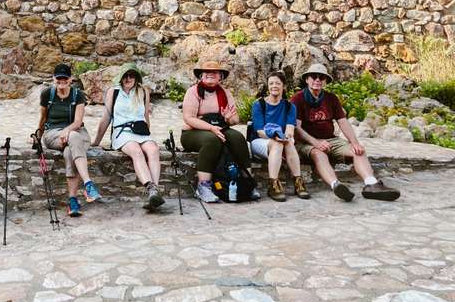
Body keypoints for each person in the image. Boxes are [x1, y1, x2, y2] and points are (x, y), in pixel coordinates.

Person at [292, 63, 400, 202]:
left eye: (322, 77)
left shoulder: (331, 98)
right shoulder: (298, 99)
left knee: (358, 150)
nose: (318, 80)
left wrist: (354, 142)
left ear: (325, 81)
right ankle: (336, 185)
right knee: (318, 153)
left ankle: (371, 184)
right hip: (307, 142)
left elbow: (343, 122)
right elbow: (297, 128)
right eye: (314, 76)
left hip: (331, 139)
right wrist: (316, 142)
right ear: (307, 79)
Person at [92, 63, 164, 211]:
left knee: (153, 149)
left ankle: (154, 192)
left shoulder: (143, 91)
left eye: (131, 75)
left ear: (136, 77)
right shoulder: (114, 91)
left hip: (141, 131)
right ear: (121, 78)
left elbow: (145, 117)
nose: (128, 78)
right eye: (125, 75)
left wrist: (148, 135)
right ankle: (151, 188)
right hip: (122, 132)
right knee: (136, 151)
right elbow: (106, 117)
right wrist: (97, 141)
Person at [181, 60, 252, 203]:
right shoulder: (193, 92)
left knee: (238, 138)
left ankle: (247, 183)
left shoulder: (225, 93)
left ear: (220, 76)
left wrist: (228, 118)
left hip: (220, 127)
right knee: (212, 140)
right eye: (207, 72)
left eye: (214, 72)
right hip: (193, 132)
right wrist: (211, 128)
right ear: (201, 76)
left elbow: (235, 119)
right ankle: (203, 187)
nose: (210, 74)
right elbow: (189, 118)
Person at [36, 63, 102, 217]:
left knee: (69, 152)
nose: (61, 81)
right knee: (73, 137)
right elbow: (43, 117)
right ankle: (88, 184)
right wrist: (38, 136)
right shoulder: (47, 94)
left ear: (70, 79)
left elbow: (78, 122)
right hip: (54, 133)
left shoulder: (77, 95)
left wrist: (68, 130)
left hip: (76, 131)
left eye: (64, 78)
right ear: (53, 79)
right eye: (58, 78)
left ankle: (73, 200)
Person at [250, 71, 309, 202]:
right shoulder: (259, 105)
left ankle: (298, 182)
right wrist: (275, 137)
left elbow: (290, 129)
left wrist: (286, 137)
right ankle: (273, 185)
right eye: (271, 83)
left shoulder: (289, 107)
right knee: (277, 144)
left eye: (277, 83)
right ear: (267, 86)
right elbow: (260, 131)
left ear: (283, 86)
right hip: (261, 141)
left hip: (281, 140)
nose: (274, 86)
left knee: (288, 142)